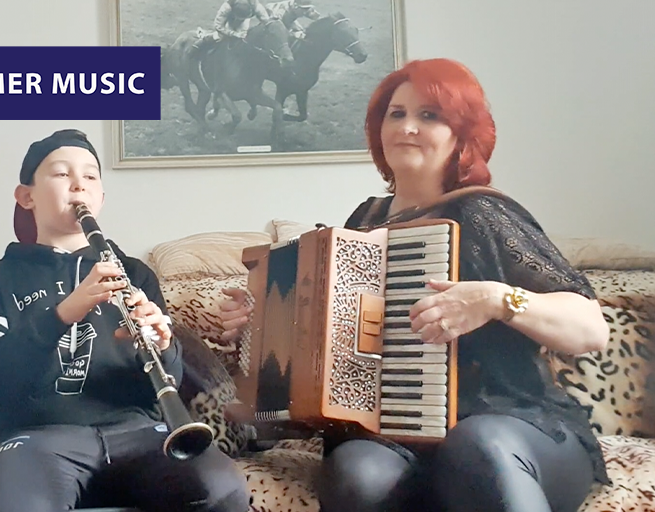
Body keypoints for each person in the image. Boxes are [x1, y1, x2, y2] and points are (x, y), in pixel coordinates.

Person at [219, 58, 611, 512]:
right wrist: (260, 327)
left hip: (509, 431)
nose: (407, 127)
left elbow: (590, 330)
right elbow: (330, 348)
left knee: (476, 445)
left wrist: (496, 299)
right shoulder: (363, 222)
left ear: (461, 135)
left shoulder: (484, 214)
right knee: (358, 476)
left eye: (429, 115)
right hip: (395, 438)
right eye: (396, 114)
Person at [0, 129, 250, 512]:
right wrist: (64, 312)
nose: (79, 184)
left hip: (141, 434)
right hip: (38, 439)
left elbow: (170, 381)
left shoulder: (135, 274)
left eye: (90, 176)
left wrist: (164, 346)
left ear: (101, 198)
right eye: (61, 173)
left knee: (222, 489)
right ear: (26, 196)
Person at [190, 0, 274, 57]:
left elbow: (267, 22)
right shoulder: (226, 8)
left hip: (243, 17)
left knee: (244, 37)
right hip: (229, 19)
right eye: (239, 18)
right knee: (220, 37)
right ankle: (202, 40)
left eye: (242, 18)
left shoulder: (257, 7)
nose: (240, 20)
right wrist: (234, 34)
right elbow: (218, 26)